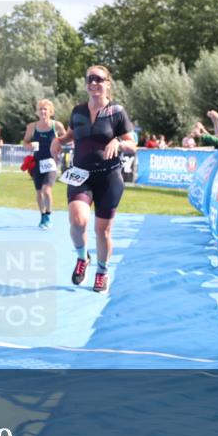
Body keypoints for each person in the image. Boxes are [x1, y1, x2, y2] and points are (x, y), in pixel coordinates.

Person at [50, 66, 135, 293]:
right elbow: (70, 135)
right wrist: (58, 141)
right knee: (78, 222)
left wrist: (118, 142)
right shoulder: (77, 111)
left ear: (108, 83)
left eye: (99, 79)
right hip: (80, 175)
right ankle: (82, 257)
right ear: (86, 84)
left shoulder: (116, 111)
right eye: (90, 79)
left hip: (109, 178)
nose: (94, 83)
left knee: (102, 231)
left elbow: (132, 144)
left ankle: (102, 271)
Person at [22, 99, 67, 229]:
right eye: (40, 109)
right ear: (37, 112)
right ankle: (42, 216)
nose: (43, 111)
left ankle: (48, 215)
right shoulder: (32, 127)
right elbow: (25, 142)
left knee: (46, 190)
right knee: (38, 192)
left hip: (51, 162)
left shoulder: (56, 125)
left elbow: (66, 139)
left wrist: (59, 148)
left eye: (45, 109)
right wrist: (29, 146)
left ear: (50, 112)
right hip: (36, 162)